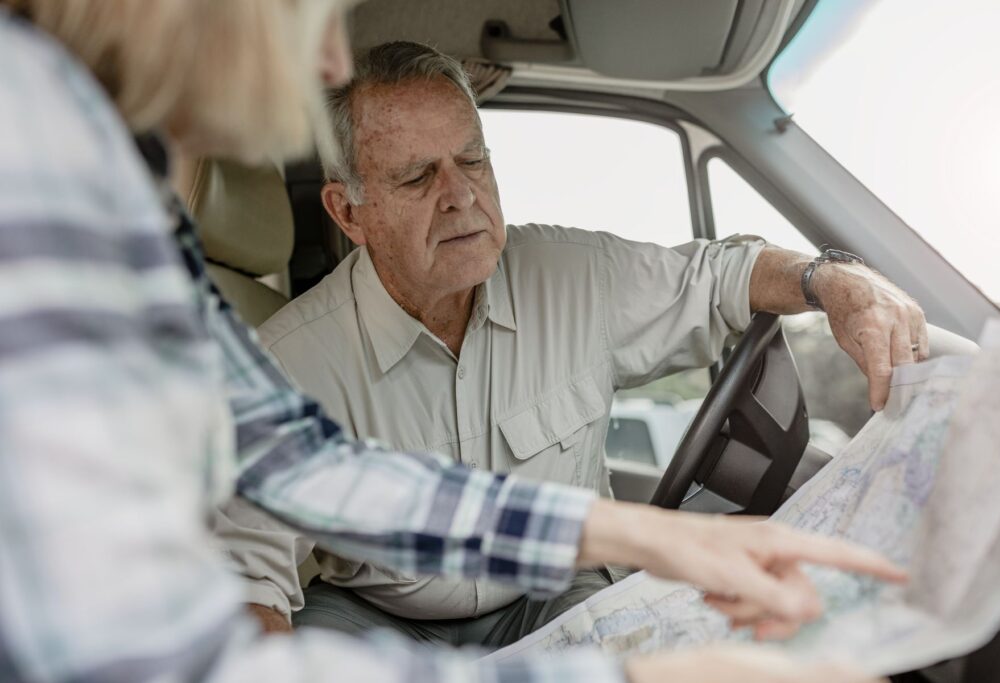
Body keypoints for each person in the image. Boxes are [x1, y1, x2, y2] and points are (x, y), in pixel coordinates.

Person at [0, 1, 901, 681]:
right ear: (349, 215)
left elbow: (310, 464)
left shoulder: (121, 199)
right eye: (295, 8)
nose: (322, 54)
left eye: (472, 160)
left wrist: (636, 533)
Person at [220, 41, 927, 642]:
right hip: (381, 619)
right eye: (416, 176)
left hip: (552, 590)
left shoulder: (572, 275)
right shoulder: (285, 365)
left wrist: (838, 282)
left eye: (472, 161)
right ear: (350, 212)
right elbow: (248, 578)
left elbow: (722, 276)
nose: (461, 196)